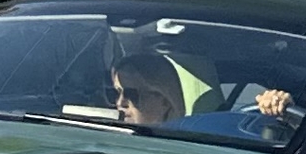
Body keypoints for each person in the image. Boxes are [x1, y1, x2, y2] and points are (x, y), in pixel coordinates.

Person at [108, 52, 291, 129]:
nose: (120, 103)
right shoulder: (103, 138)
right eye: (116, 92)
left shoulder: (212, 138)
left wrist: (276, 107)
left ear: (164, 99)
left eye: (131, 94)